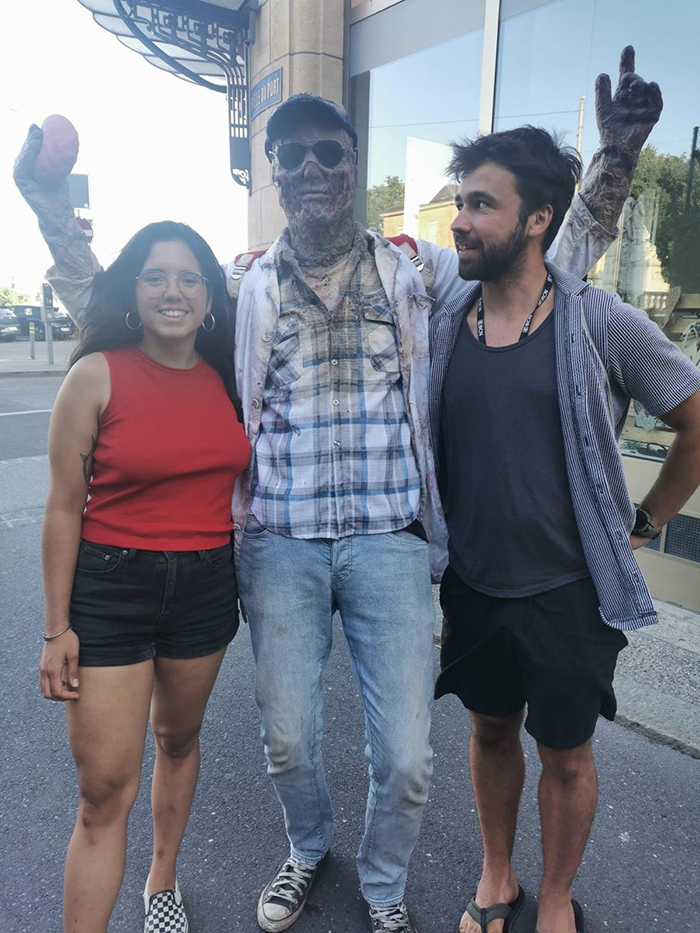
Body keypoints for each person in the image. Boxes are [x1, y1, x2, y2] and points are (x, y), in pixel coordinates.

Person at [14, 47, 662, 933]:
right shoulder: (240, 285)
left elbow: (540, 262)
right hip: (279, 544)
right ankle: (308, 845)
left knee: (407, 759)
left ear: (353, 166)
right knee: (287, 743)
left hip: (390, 540)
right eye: (293, 154)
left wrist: (614, 165)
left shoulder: (416, 270)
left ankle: (385, 885)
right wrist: (52, 208)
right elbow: (125, 300)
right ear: (275, 172)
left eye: (331, 152)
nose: (313, 167)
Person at [429, 126, 700, 933]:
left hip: (569, 593)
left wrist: (646, 520)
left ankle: (554, 896)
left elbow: (694, 420)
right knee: (489, 731)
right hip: (474, 585)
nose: (460, 220)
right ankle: (497, 872)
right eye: (461, 202)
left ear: (538, 219)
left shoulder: (599, 321)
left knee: (567, 751)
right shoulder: (445, 321)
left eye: (482, 204)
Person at [38, 220, 250, 933]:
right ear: (133, 290)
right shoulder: (95, 375)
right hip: (110, 589)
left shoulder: (230, 376)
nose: (173, 290)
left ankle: (163, 880)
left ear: (210, 296)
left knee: (177, 742)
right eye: (156, 276)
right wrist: (57, 628)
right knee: (103, 791)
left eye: (190, 277)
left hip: (206, 588)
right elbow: (63, 507)